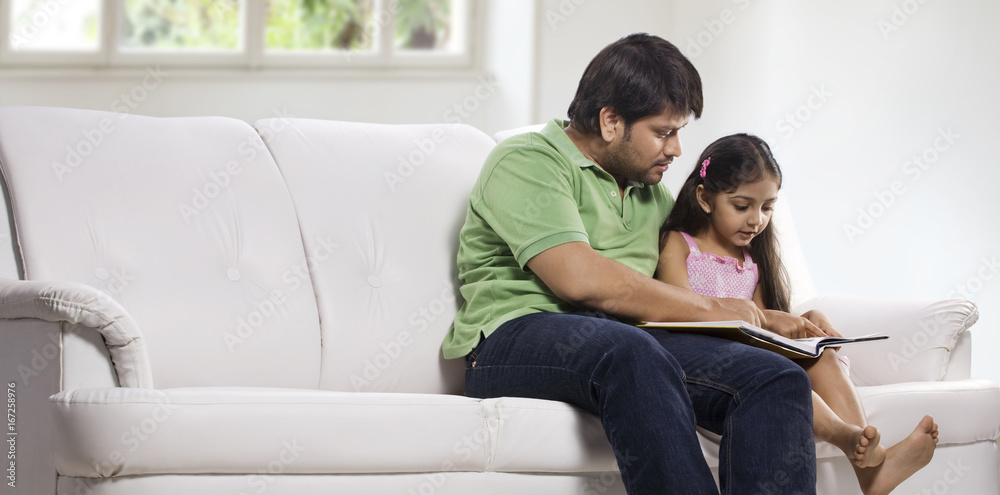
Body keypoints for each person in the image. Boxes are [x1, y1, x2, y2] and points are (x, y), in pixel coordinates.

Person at [443, 33, 819, 494]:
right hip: (514, 339)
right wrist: (712, 309)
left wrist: (766, 319)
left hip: (628, 341)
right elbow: (579, 279)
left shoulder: (650, 193)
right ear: (610, 121)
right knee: (631, 350)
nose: (677, 149)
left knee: (773, 377)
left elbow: (694, 270)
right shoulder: (527, 161)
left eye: (679, 132)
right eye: (664, 132)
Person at [656, 133, 939, 495]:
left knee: (824, 358)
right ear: (704, 198)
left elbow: (763, 320)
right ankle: (846, 437)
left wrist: (807, 319)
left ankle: (872, 470)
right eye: (742, 206)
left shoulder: (753, 259)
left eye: (767, 207)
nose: (756, 220)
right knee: (781, 374)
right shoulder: (680, 244)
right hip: (708, 360)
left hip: (752, 352)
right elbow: (680, 312)